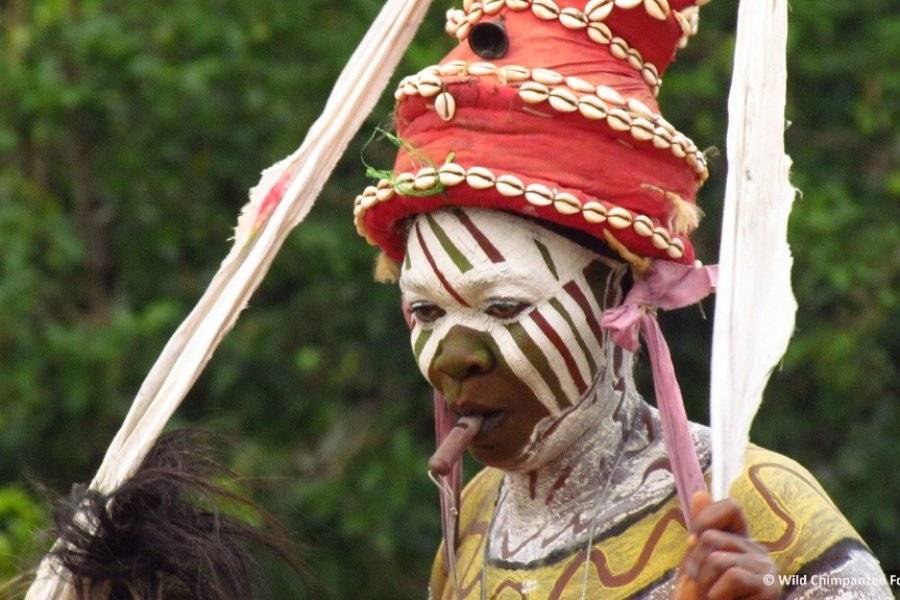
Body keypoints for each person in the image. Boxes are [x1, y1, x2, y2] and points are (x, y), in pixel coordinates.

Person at [350, 1, 893, 598]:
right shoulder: (473, 519)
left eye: (503, 306)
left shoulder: (758, 503)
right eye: (426, 312)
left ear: (613, 293)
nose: (455, 356)